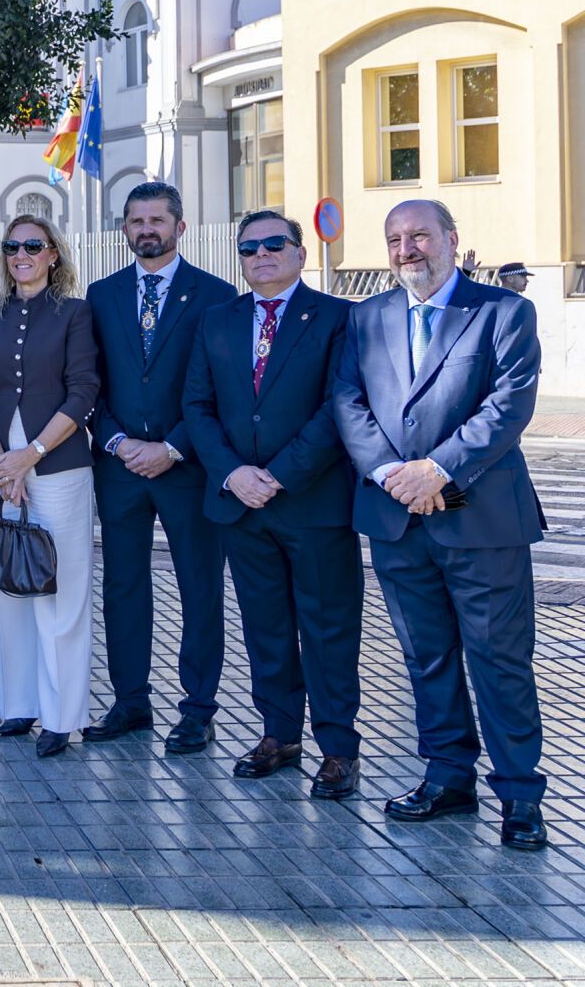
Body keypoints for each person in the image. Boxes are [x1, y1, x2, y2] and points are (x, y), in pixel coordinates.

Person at [333, 200, 549, 851]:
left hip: (479, 516)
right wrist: (391, 476)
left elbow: (509, 404)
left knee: (499, 660)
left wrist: (439, 472)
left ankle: (519, 795)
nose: (407, 250)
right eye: (395, 239)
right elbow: (348, 400)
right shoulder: (367, 317)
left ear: (452, 240)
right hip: (397, 515)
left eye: (420, 236)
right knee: (426, 658)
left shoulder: (504, 312)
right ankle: (448, 777)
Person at [182, 211, 362, 798]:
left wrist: (278, 476)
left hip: (312, 503)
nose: (261, 254)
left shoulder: (339, 318)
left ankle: (337, 748)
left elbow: (339, 407)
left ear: (300, 252)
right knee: (267, 628)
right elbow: (197, 407)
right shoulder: (218, 320)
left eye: (273, 244)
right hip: (241, 505)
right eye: (249, 247)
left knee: (327, 628)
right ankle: (279, 735)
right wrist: (234, 473)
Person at [83, 181, 235, 753]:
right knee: (123, 584)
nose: (147, 229)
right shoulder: (101, 295)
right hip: (119, 466)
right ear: (123, 229)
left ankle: (198, 708)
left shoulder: (216, 296)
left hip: (188, 466)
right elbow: (87, 382)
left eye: (157, 219)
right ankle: (130, 700)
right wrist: (118, 441)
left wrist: (171, 447)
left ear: (180, 227)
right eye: (136, 220)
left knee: (200, 587)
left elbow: (220, 389)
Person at [0, 215, 99, 757]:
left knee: (60, 591)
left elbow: (82, 389)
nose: (21, 254)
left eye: (32, 246)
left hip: (58, 463)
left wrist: (31, 456)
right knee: (8, 588)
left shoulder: (75, 313)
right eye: (12, 246)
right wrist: (3, 465)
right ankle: (18, 705)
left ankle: (61, 716)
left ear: (53, 255)